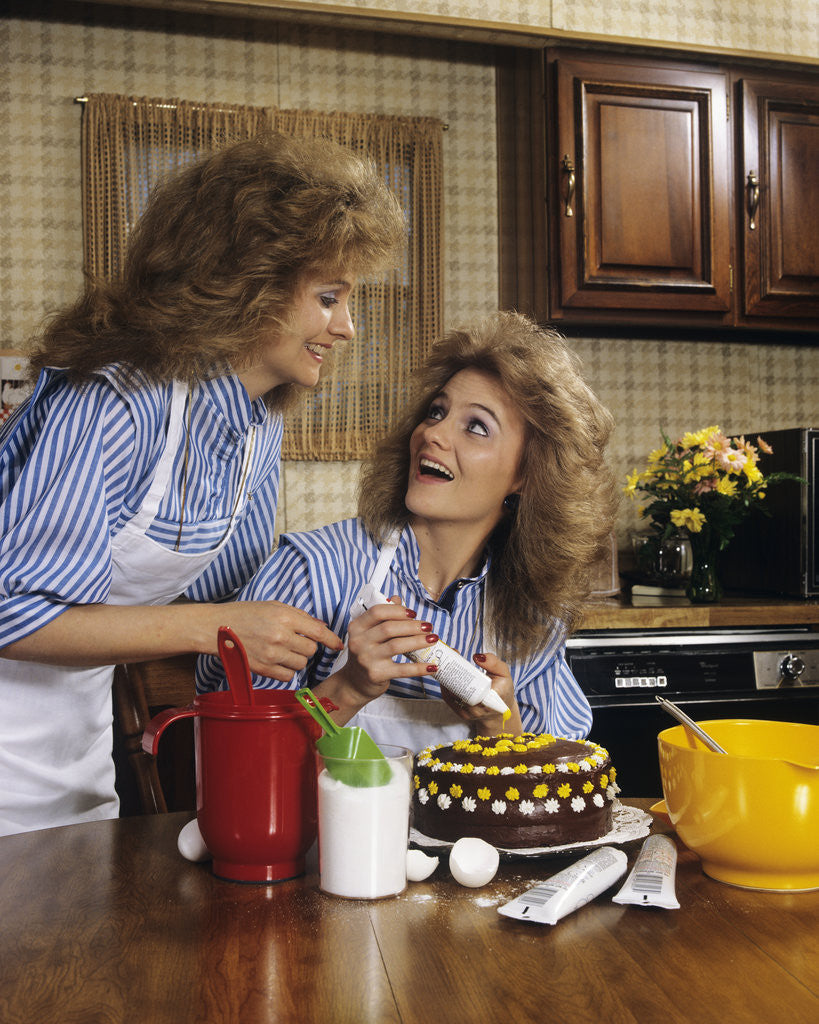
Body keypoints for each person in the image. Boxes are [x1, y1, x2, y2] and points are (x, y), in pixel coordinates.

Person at [0, 131, 406, 835]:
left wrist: (345, 653)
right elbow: (9, 612)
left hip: (78, 758)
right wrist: (211, 627)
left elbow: (238, 619)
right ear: (249, 282)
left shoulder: (254, 428)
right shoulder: (116, 402)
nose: (346, 327)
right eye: (329, 296)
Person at [197, 311, 618, 752]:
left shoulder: (531, 620)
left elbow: (551, 787)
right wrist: (349, 689)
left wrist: (500, 730)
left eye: (476, 426)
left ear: (527, 476)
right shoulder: (313, 570)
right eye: (437, 412)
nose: (433, 433)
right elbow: (237, 751)